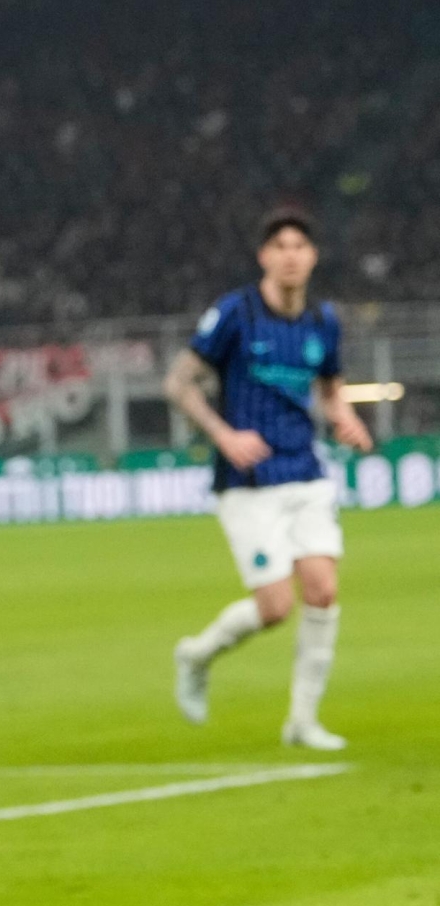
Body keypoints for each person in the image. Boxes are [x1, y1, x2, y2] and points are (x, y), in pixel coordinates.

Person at [168, 207, 371, 750]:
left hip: (304, 470)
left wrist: (344, 416)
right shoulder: (236, 313)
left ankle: (302, 721)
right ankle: (196, 655)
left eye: (299, 246)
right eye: (279, 246)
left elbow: (330, 388)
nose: (290, 255)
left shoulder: (323, 321)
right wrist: (223, 434)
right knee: (276, 606)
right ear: (264, 256)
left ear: (312, 257)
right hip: (247, 479)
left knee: (323, 590)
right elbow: (180, 383)